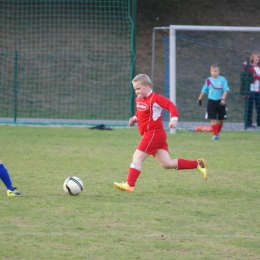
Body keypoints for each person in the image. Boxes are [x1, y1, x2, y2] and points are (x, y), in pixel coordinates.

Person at [113, 74, 207, 193]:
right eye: (135, 89)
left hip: (153, 134)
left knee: (137, 157)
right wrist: (135, 118)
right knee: (166, 164)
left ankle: (129, 185)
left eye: (138, 89)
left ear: (147, 86)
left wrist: (174, 119)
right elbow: (141, 111)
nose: (136, 92)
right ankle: (198, 163)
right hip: (156, 136)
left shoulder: (155, 99)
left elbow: (170, 105)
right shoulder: (140, 99)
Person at [197, 64, 230, 140]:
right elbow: (204, 90)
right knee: (213, 118)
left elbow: (226, 90)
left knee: (221, 120)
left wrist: (223, 98)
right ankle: (215, 135)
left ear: (219, 71)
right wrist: (200, 98)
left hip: (220, 102)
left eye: (215, 71)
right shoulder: (208, 80)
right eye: (212, 71)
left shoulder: (222, 79)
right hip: (211, 101)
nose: (214, 72)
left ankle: (216, 133)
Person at [242, 52, 260, 128]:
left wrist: (256, 76)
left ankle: (259, 123)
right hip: (250, 90)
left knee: (259, 107)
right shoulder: (249, 67)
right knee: (249, 107)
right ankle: (248, 123)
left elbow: (255, 76)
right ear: (252, 58)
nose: (256, 58)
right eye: (255, 57)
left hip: (258, 90)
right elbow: (245, 68)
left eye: (257, 57)